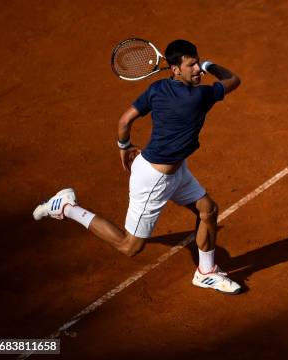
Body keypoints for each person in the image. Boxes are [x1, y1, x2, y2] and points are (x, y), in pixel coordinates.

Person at [33, 39, 241, 294]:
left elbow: (125, 120)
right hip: (154, 180)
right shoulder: (199, 97)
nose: (198, 68)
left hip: (174, 171)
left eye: (198, 62)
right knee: (129, 246)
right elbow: (233, 80)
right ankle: (66, 206)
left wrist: (125, 146)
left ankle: (206, 272)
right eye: (192, 64)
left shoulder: (157, 89)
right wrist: (211, 65)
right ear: (175, 69)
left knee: (208, 210)